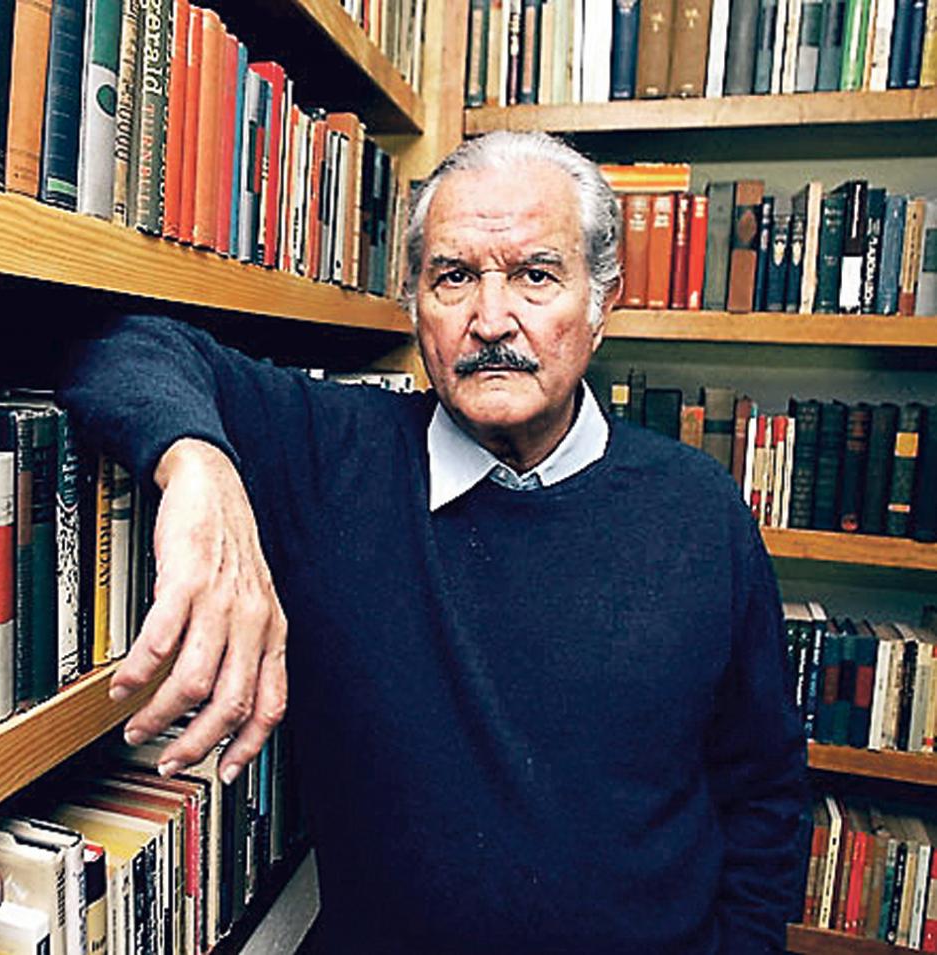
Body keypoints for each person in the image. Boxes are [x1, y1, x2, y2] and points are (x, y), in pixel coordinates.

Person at [61, 130, 808, 954]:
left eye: (535, 275)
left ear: (602, 305)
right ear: (415, 305)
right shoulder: (331, 453)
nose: (491, 320)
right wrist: (200, 467)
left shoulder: (701, 509)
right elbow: (116, 345)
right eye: (453, 277)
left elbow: (763, 790)